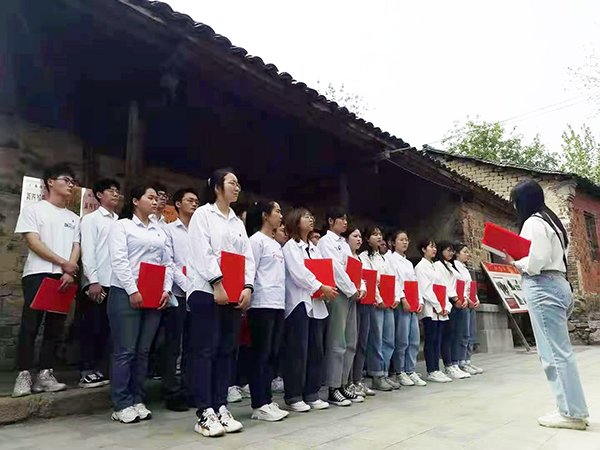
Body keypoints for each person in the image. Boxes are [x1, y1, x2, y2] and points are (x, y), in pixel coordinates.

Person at [505, 179, 589, 430]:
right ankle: (571, 408)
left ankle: (571, 413)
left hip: (543, 286)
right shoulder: (552, 221)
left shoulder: (533, 222)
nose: (514, 207)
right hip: (558, 284)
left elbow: (536, 261)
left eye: (515, 202)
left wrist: (515, 262)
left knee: (554, 353)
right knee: (559, 351)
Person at [186, 168, 255, 437]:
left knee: (227, 350)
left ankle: (220, 405)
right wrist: (217, 284)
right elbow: (201, 252)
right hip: (206, 290)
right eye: (231, 183)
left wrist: (247, 286)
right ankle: (204, 411)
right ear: (217, 187)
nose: (237, 188)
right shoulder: (203, 215)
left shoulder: (237, 222)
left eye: (238, 184)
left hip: (233, 294)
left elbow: (247, 257)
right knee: (206, 350)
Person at [12, 164, 81, 397]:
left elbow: (76, 246)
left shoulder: (74, 218)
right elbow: (34, 242)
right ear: (50, 182)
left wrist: (69, 271)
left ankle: (45, 374)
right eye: (66, 179)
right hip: (38, 273)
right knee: (30, 325)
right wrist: (64, 263)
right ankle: (24, 374)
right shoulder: (34, 210)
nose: (71, 184)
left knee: (55, 327)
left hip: (64, 277)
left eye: (73, 181)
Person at [107, 184, 173, 424]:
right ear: (136, 200)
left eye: (157, 198)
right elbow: (119, 260)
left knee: (143, 351)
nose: (155, 202)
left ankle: (137, 398)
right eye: (150, 197)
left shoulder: (160, 229)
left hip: (154, 293)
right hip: (126, 292)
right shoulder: (122, 226)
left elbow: (167, 262)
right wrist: (132, 290)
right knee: (125, 350)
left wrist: (166, 289)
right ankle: (121, 403)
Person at [281, 208, 337, 412]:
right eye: (306, 216)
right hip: (299, 303)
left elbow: (323, 270)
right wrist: (320, 287)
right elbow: (299, 274)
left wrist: (325, 287)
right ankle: (294, 395)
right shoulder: (290, 246)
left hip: (317, 303)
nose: (311, 219)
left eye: (312, 216)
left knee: (316, 349)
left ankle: (312, 392)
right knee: (297, 350)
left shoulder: (314, 248)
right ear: (296, 221)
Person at [245, 201, 289, 421]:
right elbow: (250, 271)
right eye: (277, 211)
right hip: (261, 304)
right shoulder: (255, 241)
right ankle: (258, 404)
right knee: (260, 354)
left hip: (277, 304)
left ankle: (267, 400)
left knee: (272, 354)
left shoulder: (275, 244)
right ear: (265, 215)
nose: (281, 216)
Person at [318, 208, 364, 406]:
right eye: (341, 219)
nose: (345, 223)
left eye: (346, 219)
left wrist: (360, 287)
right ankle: (333, 387)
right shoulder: (325, 242)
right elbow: (335, 269)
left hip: (351, 294)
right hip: (339, 293)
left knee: (350, 341)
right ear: (330, 221)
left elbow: (354, 267)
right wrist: (351, 289)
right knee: (337, 342)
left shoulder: (344, 244)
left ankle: (344, 383)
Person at [78, 178, 120, 389]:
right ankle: (88, 371)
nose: (115, 194)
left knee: (111, 329)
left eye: (117, 191)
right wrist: (92, 281)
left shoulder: (121, 222)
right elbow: (87, 251)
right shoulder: (91, 219)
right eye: (110, 190)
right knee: (93, 327)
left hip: (117, 282)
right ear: (99, 195)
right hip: (98, 282)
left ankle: (104, 370)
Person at [161, 187, 199, 411]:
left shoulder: (200, 231)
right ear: (177, 203)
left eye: (196, 201)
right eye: (189, 200)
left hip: (198, 294)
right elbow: (169, 263)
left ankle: (189, 389)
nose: (194, 204)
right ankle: (171, 391)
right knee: (173, 345)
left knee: (193, 345)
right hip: (178, 293)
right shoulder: (169, 230)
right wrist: (188, 286)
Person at [359, 226, 398, 391]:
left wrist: (394, 297)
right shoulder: (364, 257)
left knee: (389, 339)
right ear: (367, 239)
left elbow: (391, 278)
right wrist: (379, 299)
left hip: (388, 301)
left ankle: (385, 372)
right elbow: (369, 280)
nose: (379, 237)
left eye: (380, 234)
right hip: (375, 302)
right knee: (376, 339)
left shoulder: (382, 257)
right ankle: (376, 375)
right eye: (374, 234)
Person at [386, 230, 427, 387]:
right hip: (402, 302)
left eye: (406, 239)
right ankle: (400, 371)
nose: (404, 242)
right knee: (402, 339)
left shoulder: (409, 263)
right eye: (401, 240)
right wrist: (403, 298)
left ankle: (411, 369)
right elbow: (395, 281)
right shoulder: (390, 259)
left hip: (413, 301)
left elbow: (415, 283)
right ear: (393, 242)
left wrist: (419, 300)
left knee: (414, 339)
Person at [415, 239, 452, 383]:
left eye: (435, 247)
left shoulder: (435, 266)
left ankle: (437, 368)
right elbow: (425, 289)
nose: (434, 249)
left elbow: (443, 287)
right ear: (423, 249)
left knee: (438, 339)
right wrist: (437, 306)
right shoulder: (420, 267)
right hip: (430, 309)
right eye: (431, 247)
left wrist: (446, 306)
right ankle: (431, 370)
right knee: (431, 340)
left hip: (440, 309)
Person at [344, 227, 375, 397]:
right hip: (350, 300)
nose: (358, 239)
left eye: (360, 237)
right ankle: (348, 381)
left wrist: (363, 288)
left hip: (364, 300)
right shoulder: (345, 256)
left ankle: (357, 380)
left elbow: (363, 278)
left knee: (362, 341)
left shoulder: (360, 258)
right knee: (351, 342)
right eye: (355, 236)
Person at [435, 241, 470, 380]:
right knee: (449, 336)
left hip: (458, 301)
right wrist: (455, 299)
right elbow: (444, 285)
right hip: (450, 301)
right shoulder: (438, 265)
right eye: (448, 250)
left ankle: (455, 363)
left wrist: (463, 297)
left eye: (452, 251)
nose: (451, 253)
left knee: (457, 334)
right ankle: (449, 364)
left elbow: (459, 284)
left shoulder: (451, 265)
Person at [452, 243, 484, 375]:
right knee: (463, 334)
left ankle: (468, 360)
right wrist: (466, 299)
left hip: (470, 303)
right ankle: (461, 360)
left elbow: (470, 286)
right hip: (463, 303)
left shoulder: (465, 268)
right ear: (457, 253)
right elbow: (458, 287)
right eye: (464, 252)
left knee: (471, 333)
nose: (467, 254)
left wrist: (476, 299)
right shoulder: (455, 267)